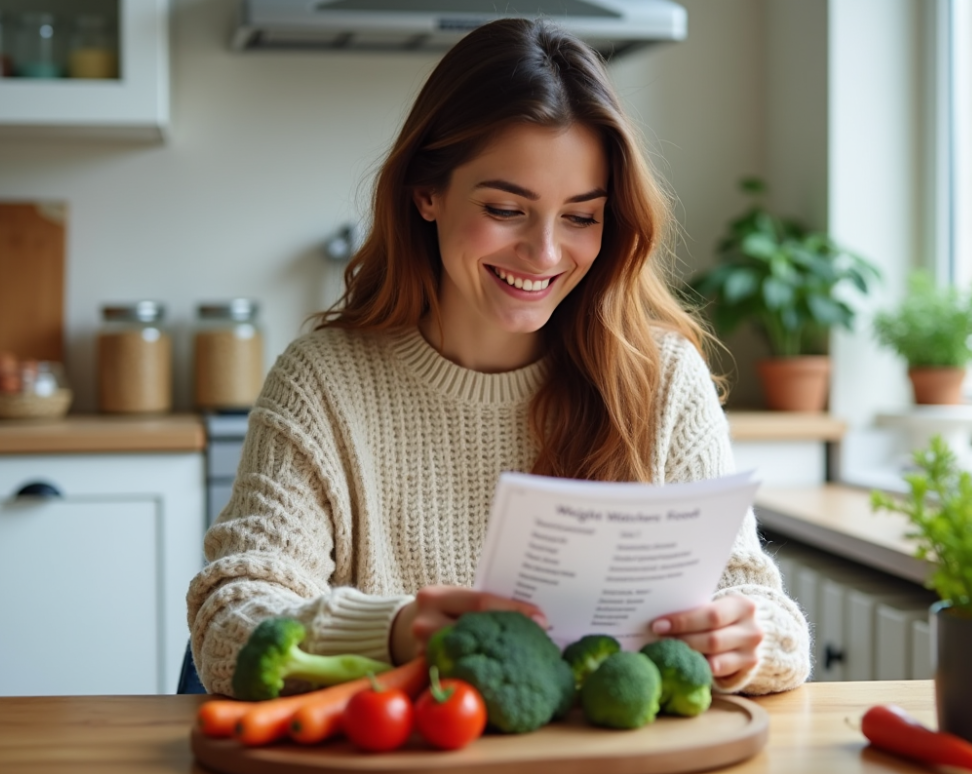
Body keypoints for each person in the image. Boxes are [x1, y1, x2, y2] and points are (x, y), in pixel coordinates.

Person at [187, 17, 811, 698]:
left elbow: (767, 616)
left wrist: (742, 641)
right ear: (427, 193)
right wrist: (393, 629)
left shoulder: (660, 379)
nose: (545, 254)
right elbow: (228, 625)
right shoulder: (322, 383)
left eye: (580, 217)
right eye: (507, 209)